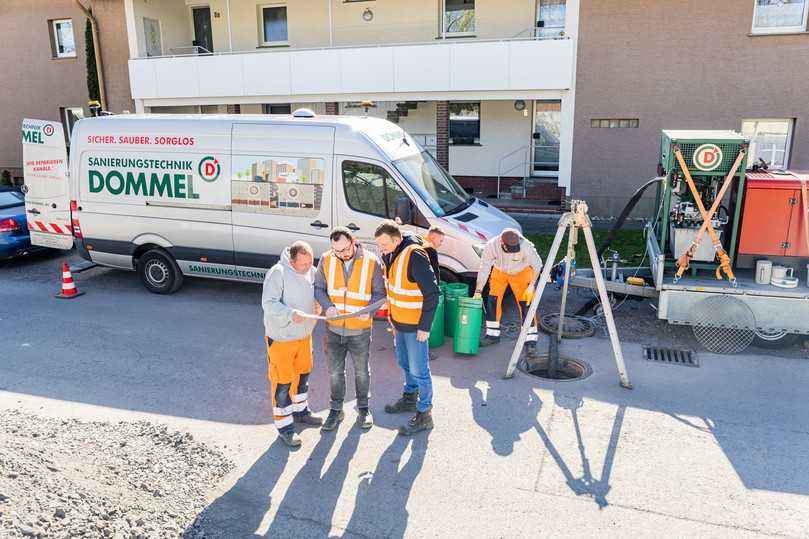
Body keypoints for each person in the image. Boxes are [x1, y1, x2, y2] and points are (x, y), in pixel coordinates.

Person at [314, 226, 386, 432]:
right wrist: (327, 307)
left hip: (360, 330)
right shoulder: (327, 260)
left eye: (346, 249)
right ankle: (336, 410)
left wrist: (369, 311)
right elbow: (318, 288)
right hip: (334, 330)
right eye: (338, 251)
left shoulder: (371, 261)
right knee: (335, 372)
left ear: (353, 242)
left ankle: (363, 409)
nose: (343, 254)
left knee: (362, 372)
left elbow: (380, 294)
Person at [375, 220, 440, 436]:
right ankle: (410, 398)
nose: (380, 249)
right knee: (404, 363)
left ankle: (424, 414)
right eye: (379, 245)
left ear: (397, 239)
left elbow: (432, 293)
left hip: (416, 327)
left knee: (420, 370)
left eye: (384, 244)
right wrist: (392, 320)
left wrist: (425, 327)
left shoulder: (414, 256)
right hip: (400, 323)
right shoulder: (390, 254)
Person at [262, 240, 323, 448]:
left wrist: (319, 305)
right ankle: (285, 427)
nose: (308, 268)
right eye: (303, 264)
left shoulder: (312, 271)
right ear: (291, 260)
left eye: (310, 263)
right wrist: (289, 314)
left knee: (302, 375)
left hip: (304, 336)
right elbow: (268, 303)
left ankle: (300, 411)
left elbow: (316, 293)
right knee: (282, 382)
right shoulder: (277, 273)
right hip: (281, 338)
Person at [474, 228, 543, 356]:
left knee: (526, 304)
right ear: (502, 243)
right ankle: (492, 336)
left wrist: (532, 285)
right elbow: (484, 268)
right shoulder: (491, 246)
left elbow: (538, 265)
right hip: (500, 272)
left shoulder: (526, 246)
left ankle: (530, 341)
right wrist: (478, 290)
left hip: (521, 273)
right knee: (492, 301)